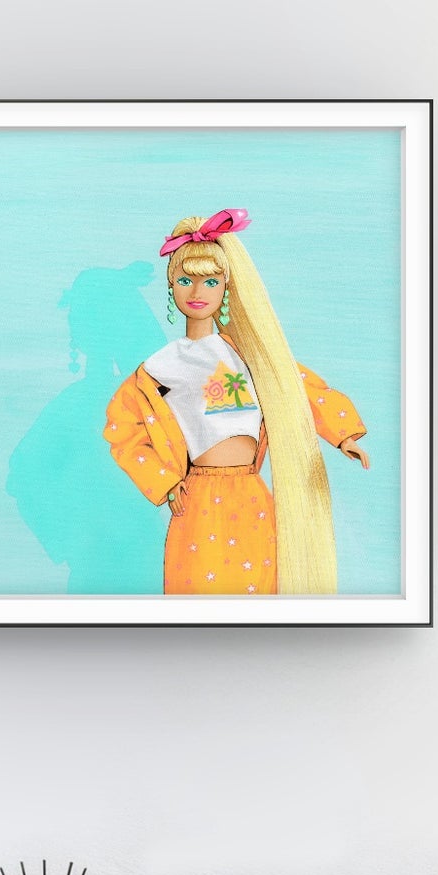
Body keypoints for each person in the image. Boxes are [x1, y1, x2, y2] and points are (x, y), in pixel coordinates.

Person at [103, 209, 368, 595]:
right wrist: (163, 480)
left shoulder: (251, 357)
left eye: (210, 281)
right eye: (185, 281)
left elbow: (301, 388)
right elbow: (121, 428)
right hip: (196, 501)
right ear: (171, 286)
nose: (198, 293)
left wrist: (343, 434)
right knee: (197, 594)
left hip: (253, 496)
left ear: (226, 287)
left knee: (259, 591)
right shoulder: (161, 369)